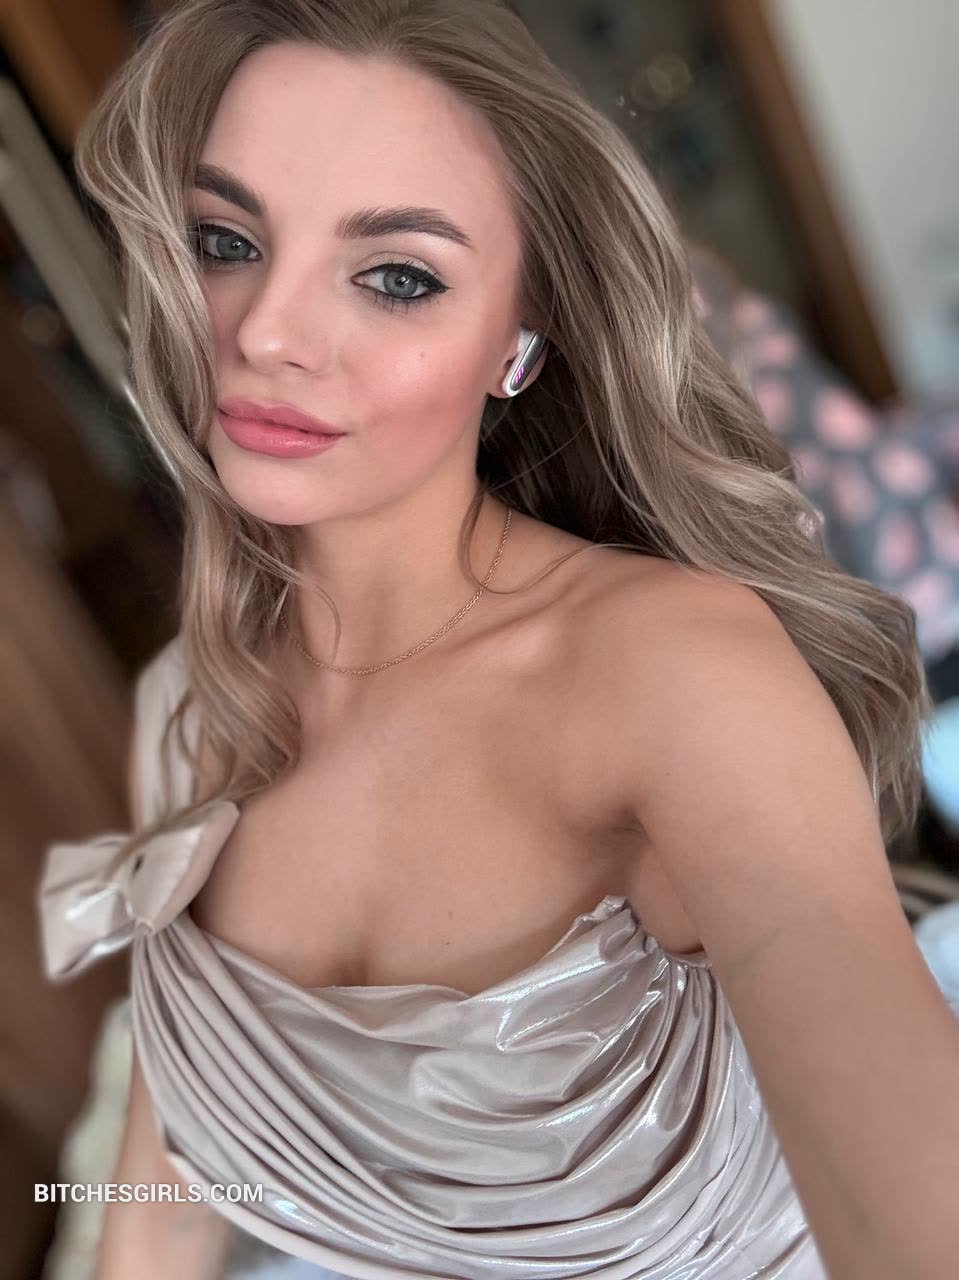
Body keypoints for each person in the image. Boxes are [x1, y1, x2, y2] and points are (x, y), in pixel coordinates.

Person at [35, 2, 959, 1278]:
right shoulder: (190, 708)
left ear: (518, 343)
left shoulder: (668, 669)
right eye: (225, 241)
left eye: (396, 276)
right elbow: (169, 1191)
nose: (264, 333)